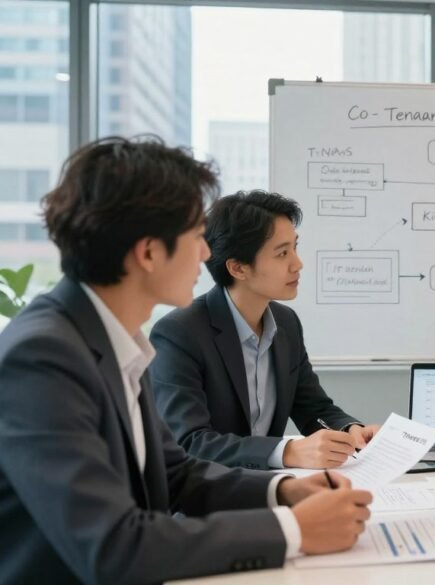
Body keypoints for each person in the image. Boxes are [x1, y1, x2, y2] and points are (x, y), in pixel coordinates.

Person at [0, 137, 372, 584]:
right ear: (149, 252)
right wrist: (293, 529)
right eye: (196, 236)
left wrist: (285, 489)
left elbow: (175, 474)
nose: (206, 253)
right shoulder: (43, 358)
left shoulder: (114, 339)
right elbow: (112, 547)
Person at [150, 191, 378, 471]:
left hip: (269, 486)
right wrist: (287, 451)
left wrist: (350, 430)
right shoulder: (179, 333)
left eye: (295, 248)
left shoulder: (286, 323)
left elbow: (313, 408)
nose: (297, 264)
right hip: (207, 493)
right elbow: (189, 442)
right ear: (238, 268)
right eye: (282, 253)